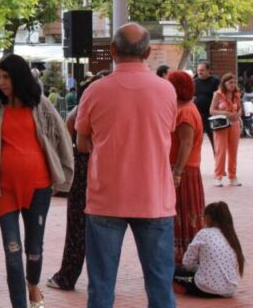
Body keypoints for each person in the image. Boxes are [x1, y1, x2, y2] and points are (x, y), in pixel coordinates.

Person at [76, 23, 177, 308]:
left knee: (101, 286)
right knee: (160, 287)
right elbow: (164, 133)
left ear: (112, 50)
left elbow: (82, 142)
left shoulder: (95, 91)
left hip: (106, 199)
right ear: (148, 52)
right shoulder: (166, 90)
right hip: (154, 199)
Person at [0, 54, 74, 308]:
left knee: (34, 249)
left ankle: (33, 285)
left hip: (39, 187)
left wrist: (66, 176)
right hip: (4, 190)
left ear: (19, 77)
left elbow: (62, 139)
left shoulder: (41, 105)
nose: (1, 82)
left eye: (6, 77)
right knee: (12, 251)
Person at [47, 71, 109, 292]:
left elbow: (71, 139)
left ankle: (67, 276)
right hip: (106, 171)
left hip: (84, 170)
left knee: (77, 226)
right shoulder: (110, 109)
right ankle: (101, 279)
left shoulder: (82, 108)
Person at [166, 71, 205, 264]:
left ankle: (184, 260)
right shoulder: (183, 108)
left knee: (183, 213)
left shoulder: (186, 111)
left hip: (184, 170)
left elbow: (186, 144)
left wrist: (177, 173)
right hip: (183, 169)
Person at [174, 201, 243, 298]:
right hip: (229, 290)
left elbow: (187, 263)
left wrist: (198, 268)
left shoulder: (204, 233)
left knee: (172, 270)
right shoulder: (232, 237)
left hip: (206, 289)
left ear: (208, 218)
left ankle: (182, 290)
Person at [210, 73, 243, 187]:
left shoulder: (237, 94)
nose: (233, 85)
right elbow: (212, 111)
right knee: (221, 151)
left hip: (234, 124)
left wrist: (238, 114)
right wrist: (225, 113)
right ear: (224, 83)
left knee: (233, 151)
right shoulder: (218, 94)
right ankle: (218, 176)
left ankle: (232, 176)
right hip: (221, 126)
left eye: (234, 82)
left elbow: (239, 109)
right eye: (230, 82)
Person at [194, 61, 220, 153]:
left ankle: (218, 163)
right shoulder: (195, 81)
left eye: (202, 70)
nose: (199, 72)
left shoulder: (215, 81)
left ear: (209, 70)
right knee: (196, 141)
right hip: (198, 115)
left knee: (214, 140)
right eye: (198, 70)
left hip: (211, 115)